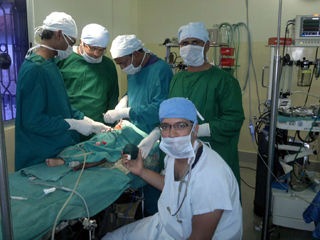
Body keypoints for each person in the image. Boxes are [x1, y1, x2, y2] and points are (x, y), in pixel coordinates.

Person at [103, 97, 243, 240]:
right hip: (168, 224)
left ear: (195, 129)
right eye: (166, 126)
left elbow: (199, 237)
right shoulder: (175, 154)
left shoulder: (211, 177)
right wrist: (141, 171)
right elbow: (171, 185)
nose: (172, 134)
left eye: (180, 125)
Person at [15, 12, 110, 171]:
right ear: (59, 34)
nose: (70, 48)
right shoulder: (36, 69)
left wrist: (88, 121)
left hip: (57, 149)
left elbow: (60, 104)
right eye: (71, 42)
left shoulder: (50, 64)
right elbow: (33, 120)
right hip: (40, 155)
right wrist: (73, 124)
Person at [104, 34, 173, 215]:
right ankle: (141, 212)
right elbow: (135, 91)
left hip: (154, 135)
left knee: (152, 185)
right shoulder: (134, 69)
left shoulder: (161, 70)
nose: (122, 67)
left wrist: (124, 112)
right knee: (138, 178)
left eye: (123, 63)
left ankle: (154, 218)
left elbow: (160, 109)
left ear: (135, 54)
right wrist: (125, 100)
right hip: (135, 130)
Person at [169, 22, 245, 186]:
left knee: (212, 201)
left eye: (195, 42)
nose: (189, 47)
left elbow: (233, 120)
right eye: (185, 43)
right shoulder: (176, 79)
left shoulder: (225, 81)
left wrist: (199, 130)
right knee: (183, 199)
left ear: (207, 46)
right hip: (182, 154)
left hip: (214, 154)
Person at [57, 24, 119, 141]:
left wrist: (110, 126)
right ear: (81, 42)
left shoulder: (108, 65)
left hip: (98, 131)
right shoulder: (63, 60)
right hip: (68, 129)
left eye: (101, 50)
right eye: (92, 48)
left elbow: (112, 98)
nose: (96, 54)